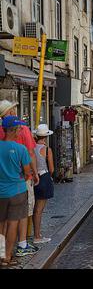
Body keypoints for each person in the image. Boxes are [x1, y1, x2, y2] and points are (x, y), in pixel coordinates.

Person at [0, 100, 39, 256]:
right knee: (17, 220)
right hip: (17, 187)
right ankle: (16, 249)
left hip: (1, 189)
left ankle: (2, 252)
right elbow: (29, 158)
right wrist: (34, 174)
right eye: (14, 109)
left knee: (1, 223)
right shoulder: (22, 133)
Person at [0, 116, 32, 266]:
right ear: (12, 130)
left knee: (1, 225)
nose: (20, 130)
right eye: (18, 128)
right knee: (13, 224)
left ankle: (0, 255)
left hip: (1, 192)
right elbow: (27, 172)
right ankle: (7, 256)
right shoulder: (21, 149)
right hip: (17, 191)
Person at [32, 124, 55, 244]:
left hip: (34, 179)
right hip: (44, 177)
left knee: (35, 208)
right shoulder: (47, 149)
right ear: (45, 136)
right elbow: (51, 168)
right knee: (39, 210)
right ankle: (37, 236)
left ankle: (36, 234)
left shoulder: (32, 148)